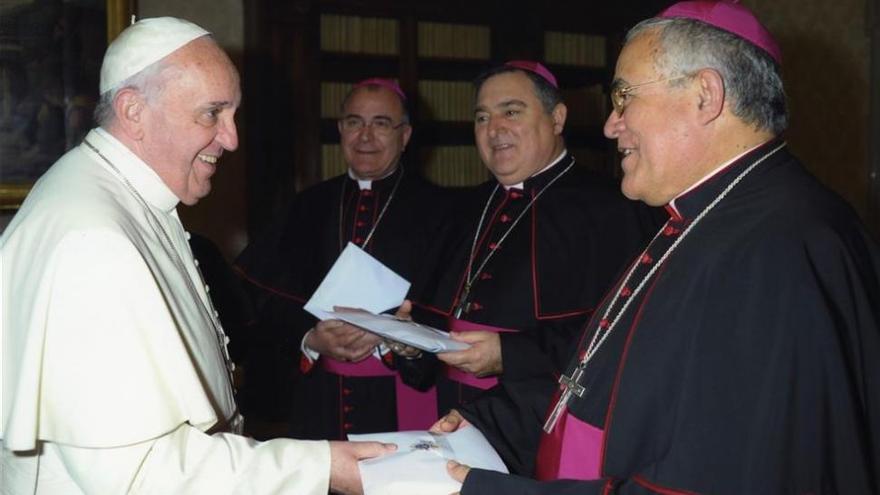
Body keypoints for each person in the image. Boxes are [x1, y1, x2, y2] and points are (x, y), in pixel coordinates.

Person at [435, 2, 880, 493]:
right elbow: (608, 379)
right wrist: (492, 425)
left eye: (624, 97)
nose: (610, 124)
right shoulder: (695, 216)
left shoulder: (783, 248)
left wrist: (474, 489)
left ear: (705, 96)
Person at [0, 17, 393, 494]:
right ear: (133, 111)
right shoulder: (91, 239)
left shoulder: (115, 192)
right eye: (212, 113)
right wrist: (321, 467)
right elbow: (138, 474)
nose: (231, 139)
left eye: (233, 115)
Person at [403, 60, 660, 456]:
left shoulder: (615, 210)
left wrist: (510, 355)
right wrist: (407, 341)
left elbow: (627, 337)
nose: (494, 129)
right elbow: (432, 313)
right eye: (482, 117)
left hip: (545, 430)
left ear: (557, 118)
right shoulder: (462, 209)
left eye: (511, 112)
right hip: (450, 418)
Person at [234, 78, 449, 440]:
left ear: (405, 135)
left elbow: (452, 311)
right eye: (354, 122)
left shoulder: (441, 213)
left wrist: (391, 339)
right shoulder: (307, 206)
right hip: (318, 403)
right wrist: (310, 339)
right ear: (340, 129)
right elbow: (264, 305)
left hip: (401, 401)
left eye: (381, 124)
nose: (365, 137)